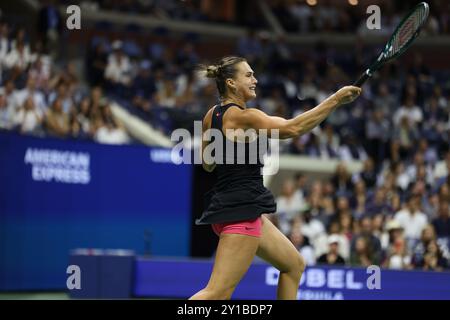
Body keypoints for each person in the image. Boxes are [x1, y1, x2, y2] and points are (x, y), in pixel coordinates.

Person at [190, 56, 361, 300]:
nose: (255, 80)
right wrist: (336, 99)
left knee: (293, 265)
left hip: (236, 208)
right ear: (231, 83)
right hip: (241, 212)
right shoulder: (245, 117)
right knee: (216, 294)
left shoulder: (212, 116)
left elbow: (207, 164)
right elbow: (293, 129)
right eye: (248, 75)